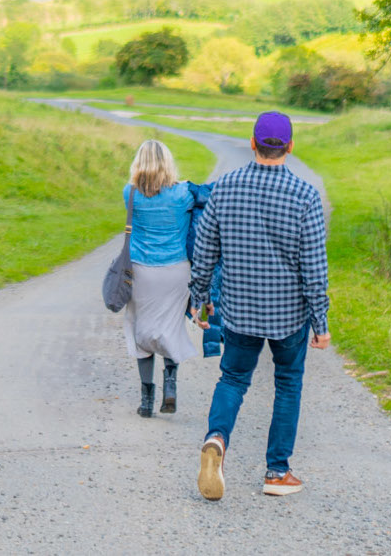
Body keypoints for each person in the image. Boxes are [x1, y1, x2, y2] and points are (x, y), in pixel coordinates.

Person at [189, 111, 330, 501]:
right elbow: (314, 269)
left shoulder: (225, 188)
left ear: (252, 145)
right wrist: (321, 322)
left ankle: (216, 439)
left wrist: (199, 299)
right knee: (287, 384)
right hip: (289, 317)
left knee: (233, 378)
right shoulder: (305, 196)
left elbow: (204, 253)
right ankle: (277, 472)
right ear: (290, 147)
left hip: (239, 310)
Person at [123, 139, 197, 417]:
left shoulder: (129, 193)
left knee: (141, 331)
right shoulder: (182, 194)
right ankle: (171, 385)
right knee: (170, 327)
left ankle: (146, 398)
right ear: (167, 163)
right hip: (176, 270)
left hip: (141, 270)